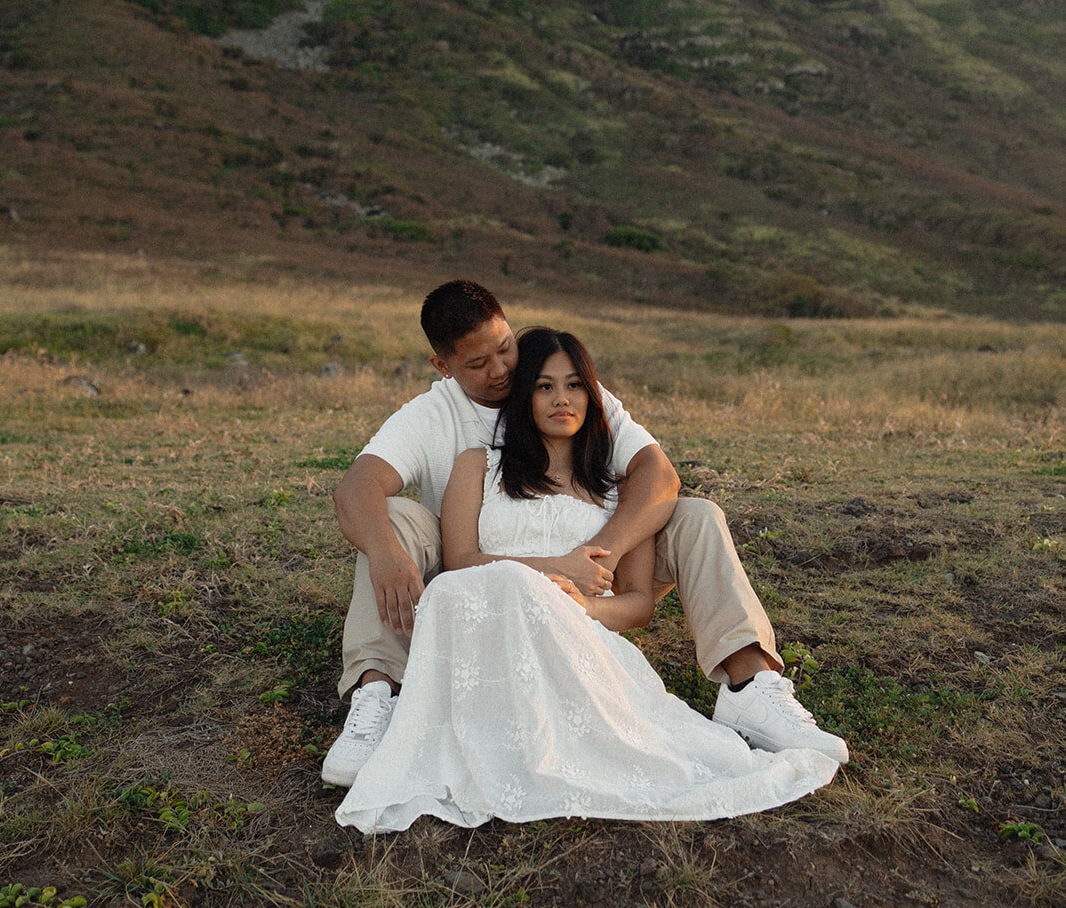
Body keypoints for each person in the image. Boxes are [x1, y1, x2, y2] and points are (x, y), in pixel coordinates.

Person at [324, 279, 847, 787]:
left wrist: (593, 563)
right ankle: (378, 690)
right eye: (477, 363)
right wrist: (387, 554)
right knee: (389, 519)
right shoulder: (436, 418)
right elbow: (357, 488)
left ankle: (750, 682)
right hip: (471, 574)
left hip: (594, 573)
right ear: (443, 365)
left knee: (697, 515)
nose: (503, 370)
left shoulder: (570, 390)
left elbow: (659, 476)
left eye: (505, 349)